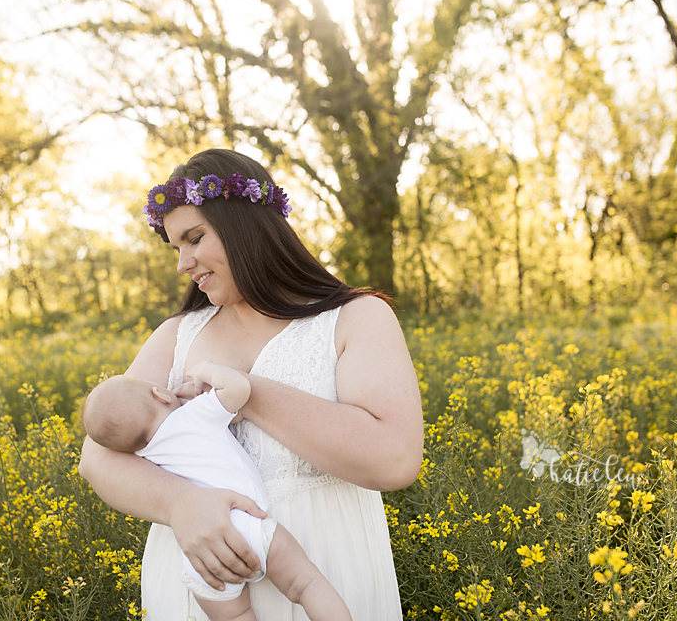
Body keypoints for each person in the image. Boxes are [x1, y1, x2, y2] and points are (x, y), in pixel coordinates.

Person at [78, 148, 424, 620]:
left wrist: (248, 392)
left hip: (327, 570)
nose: (183, 262)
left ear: (245, 225)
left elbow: (396, 459)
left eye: (194, 238)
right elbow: (96, 458)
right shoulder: (177, 335)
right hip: (207, 588)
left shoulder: (355, 318)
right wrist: (182, 505)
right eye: (175, 247)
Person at [81, 361, 352, 621]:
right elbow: (238, 388)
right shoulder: (194, 416)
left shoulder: (143, 458)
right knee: (306, 586)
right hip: (249, 525)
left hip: (202, 554)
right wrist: (204, 370)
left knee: (236, 615)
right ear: (160, 394)